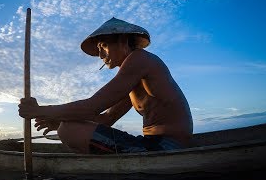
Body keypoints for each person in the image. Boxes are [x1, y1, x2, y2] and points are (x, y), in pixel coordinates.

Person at [18, 17, 193, 154]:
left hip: (168, 146)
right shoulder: (132, 76)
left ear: (123, 41)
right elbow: (107, 118)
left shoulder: (139, 59)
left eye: (104, 46)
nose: (100, 54)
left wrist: (39, 110)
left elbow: (91, 107)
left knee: (69, 129)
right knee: (66, 127)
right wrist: (58, 121)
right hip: (152, 143)